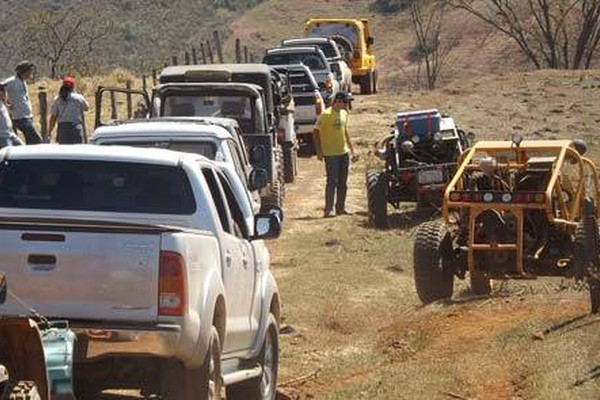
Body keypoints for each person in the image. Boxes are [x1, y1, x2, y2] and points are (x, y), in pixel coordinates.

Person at [313, 91, 358, 218]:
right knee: (332, 181)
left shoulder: (344, 113)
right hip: (331, 154)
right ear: (338, 101)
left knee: (343, 182)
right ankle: (328, 209)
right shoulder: (326, 114)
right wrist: (319, 151)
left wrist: (352, 150)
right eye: (346, 102)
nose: (347, 104)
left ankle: (340, 208)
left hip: (343, 153)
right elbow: (316, 131)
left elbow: (345, 131)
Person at [2, 60, 44, 144]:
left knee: (29, 140)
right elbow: (1, 87)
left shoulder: (23, 82)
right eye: (29, 71)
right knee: (36, 139)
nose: (30, 73)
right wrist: (5, 104)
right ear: (23, 71)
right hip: (19, 117)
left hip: (27, 116)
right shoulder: (12, 81)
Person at [48, 76, 89, 144]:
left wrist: (49, 131)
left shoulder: (57, 99)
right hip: (76, 128)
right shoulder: (78, 98)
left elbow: (53, 117)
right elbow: (86, 108)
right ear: (73, 87)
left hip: (62, 129)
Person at [0, 83, 24, 149]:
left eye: (4, 90)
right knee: (10, 156)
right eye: (2, 90)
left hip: (11, 134)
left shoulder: (2, 103)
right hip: (2, 137)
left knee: (24, 149)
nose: (4, 92)